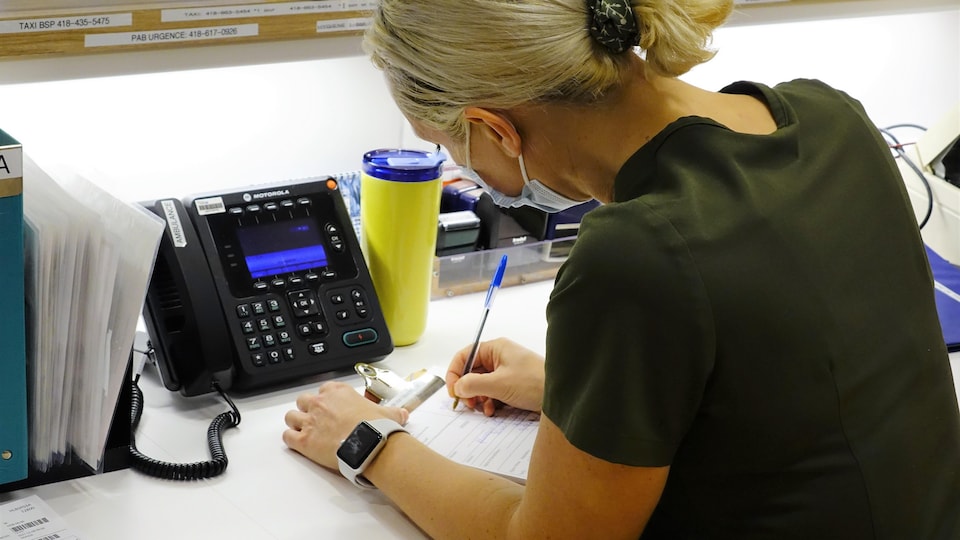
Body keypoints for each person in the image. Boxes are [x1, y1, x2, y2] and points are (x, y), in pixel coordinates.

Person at [282, 0, 960, 537]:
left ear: (496, 129)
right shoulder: (829, 115)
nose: (473, 179)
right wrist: (569, 390)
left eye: (450, 148)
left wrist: (369, 442)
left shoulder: (636, 253)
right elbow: (784, 382)